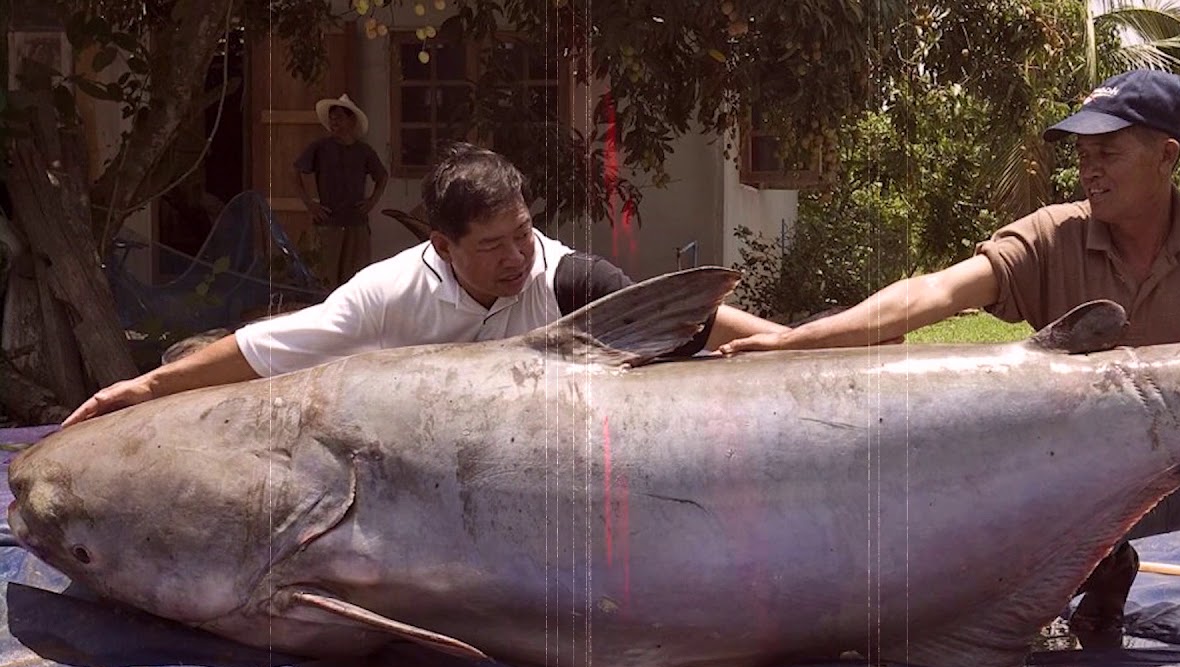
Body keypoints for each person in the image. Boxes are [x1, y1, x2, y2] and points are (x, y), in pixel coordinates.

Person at [720, 69, 1180, 667]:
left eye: (1108, 152)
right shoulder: (1052, 236)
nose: (1089, 169)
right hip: (1070, 485)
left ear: (1167, 154)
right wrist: (793, 342)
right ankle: (1097, 563)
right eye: (1082, 154)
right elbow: (934, 291)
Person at [65, 142, 786, 426]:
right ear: (441, 245)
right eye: (493, 245)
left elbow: (680, 317)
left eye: (523, 233)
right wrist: (151, 389)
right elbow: (263, 350)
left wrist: (796, 344)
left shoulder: (565, 276)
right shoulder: (384, 297)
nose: (517, 257)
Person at [293, 93, 389, 289]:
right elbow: (296, 172)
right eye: (332, 118)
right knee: (325, 277)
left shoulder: (364, 151)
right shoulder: (320, 148)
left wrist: (371, 202)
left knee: (356, 278)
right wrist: (310, 205)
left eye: (339, 117)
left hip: (356, 223)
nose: (334, 122)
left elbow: (382, 176)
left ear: (351, 121)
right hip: (329, 222)